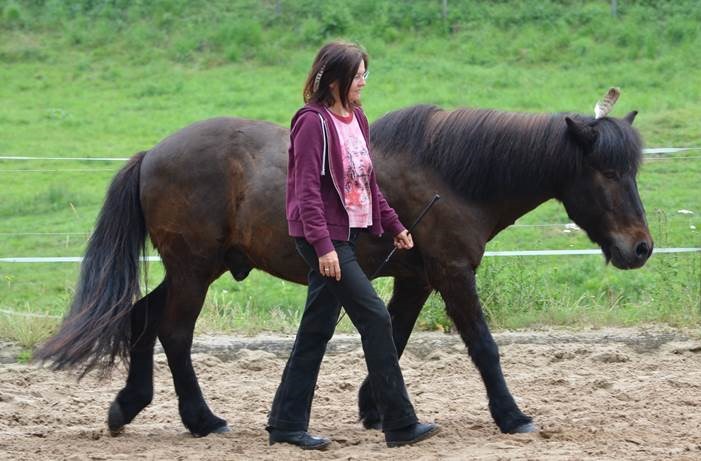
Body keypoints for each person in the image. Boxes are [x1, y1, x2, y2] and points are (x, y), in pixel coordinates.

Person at [266, 41, 439, 450]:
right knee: (377, 318)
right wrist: (323, 246)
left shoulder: (357, 118)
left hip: (349, 234)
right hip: (323, 237)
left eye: (365, 74)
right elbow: (305, 190)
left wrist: (394, 224)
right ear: (338, 78)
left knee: (316, 330)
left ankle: (286, 424)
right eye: (359, 75)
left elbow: (366, 181)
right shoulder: (311, 122)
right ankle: (399, 423)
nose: (364, 82)